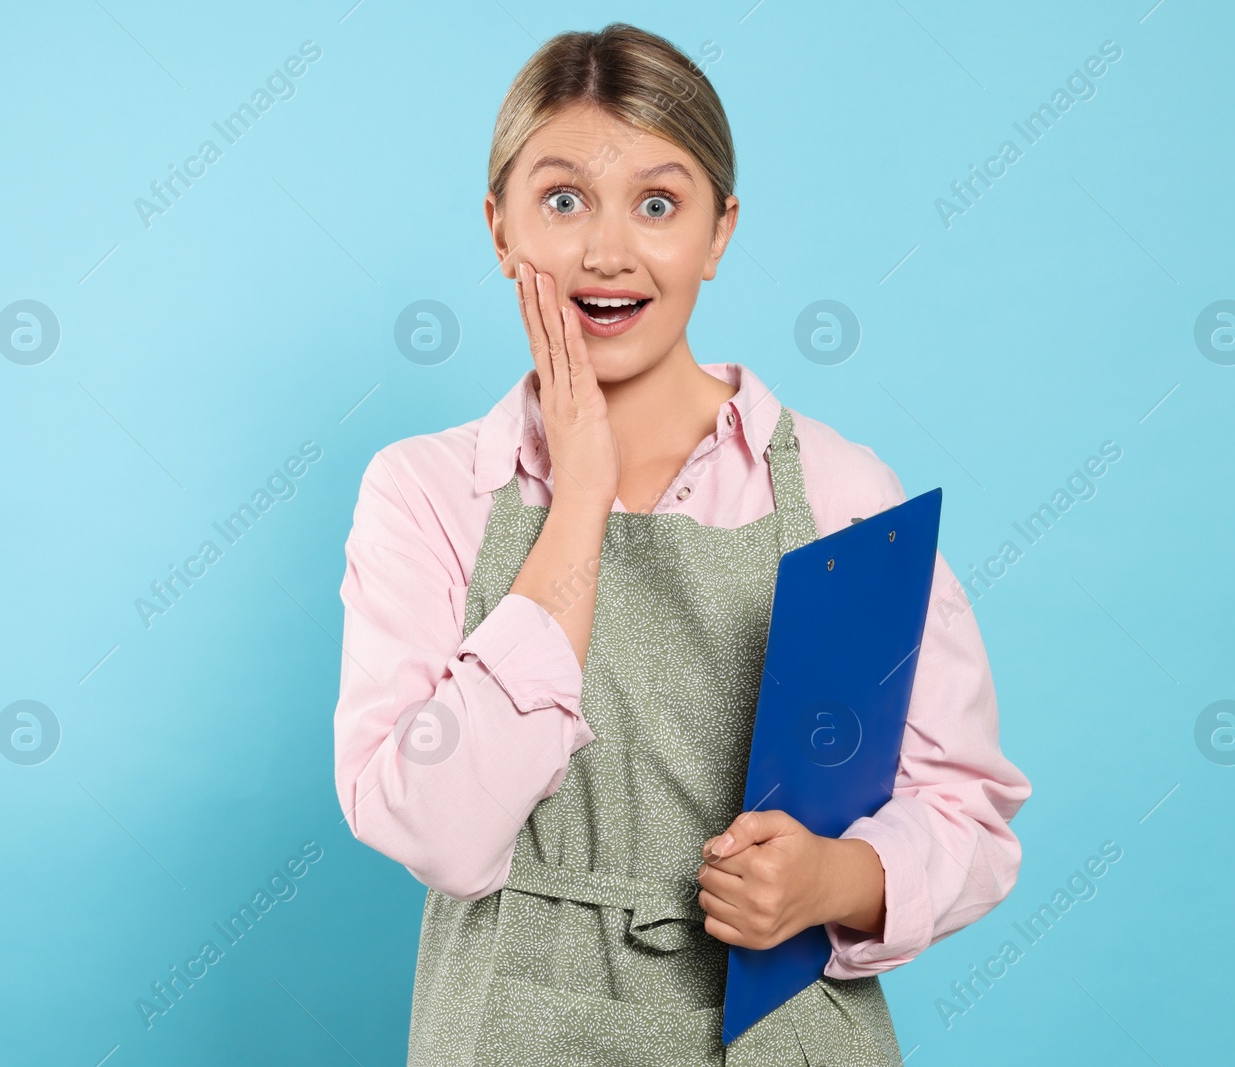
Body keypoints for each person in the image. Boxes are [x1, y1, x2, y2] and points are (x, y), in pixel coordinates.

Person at [333, 22, 1031, 1066]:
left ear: (718, 231)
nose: (607, 251)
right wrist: (580, 497)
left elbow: (967, 811)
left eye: (657, 204)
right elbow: (436, 828)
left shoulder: (843, 492)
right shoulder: (430, 491)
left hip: (781, 1030)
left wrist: (831, 880)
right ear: (498, 227)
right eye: (562, 199)